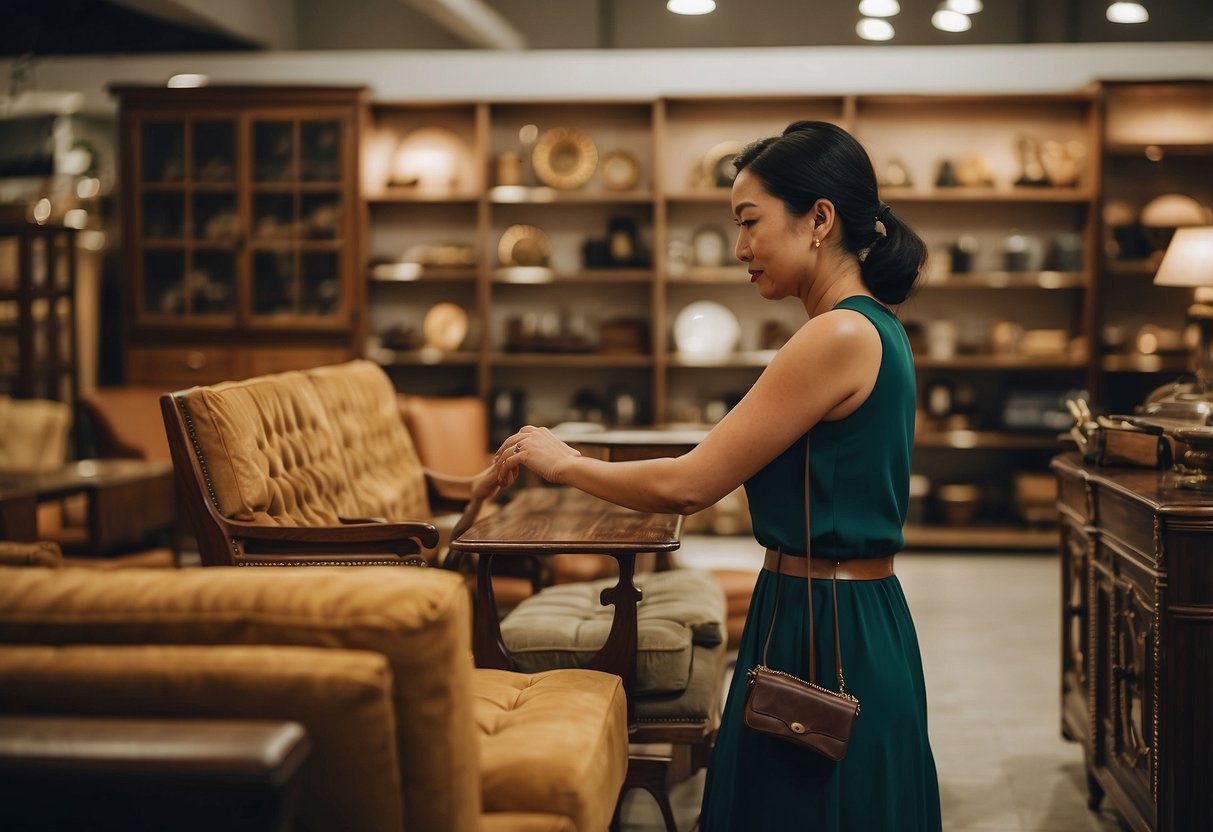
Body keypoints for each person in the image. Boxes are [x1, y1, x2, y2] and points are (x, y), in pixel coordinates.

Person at [484, 120, 942, 831]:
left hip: (825, 623)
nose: (739, 249)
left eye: (749, 222)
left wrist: (563, 463)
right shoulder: (870, 327)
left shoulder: (835, 334)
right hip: (831, 608)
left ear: (818, 219)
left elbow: (691, 484)